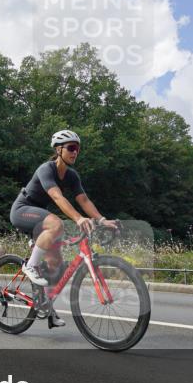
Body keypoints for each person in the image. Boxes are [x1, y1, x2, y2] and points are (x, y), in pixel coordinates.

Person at [9, 130, 118, 328]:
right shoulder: (46, 169)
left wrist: (102, 220)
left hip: (39, 216)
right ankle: (30, 266)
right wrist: (77, 218)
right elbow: (58, 197)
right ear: (59, 149)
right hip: (22, 210)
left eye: (77, 148)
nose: (75, 152)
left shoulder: (72, 176)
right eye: (71, 148)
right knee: (56, 224)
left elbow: (83, 200)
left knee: (55, 263)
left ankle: (45, 305)